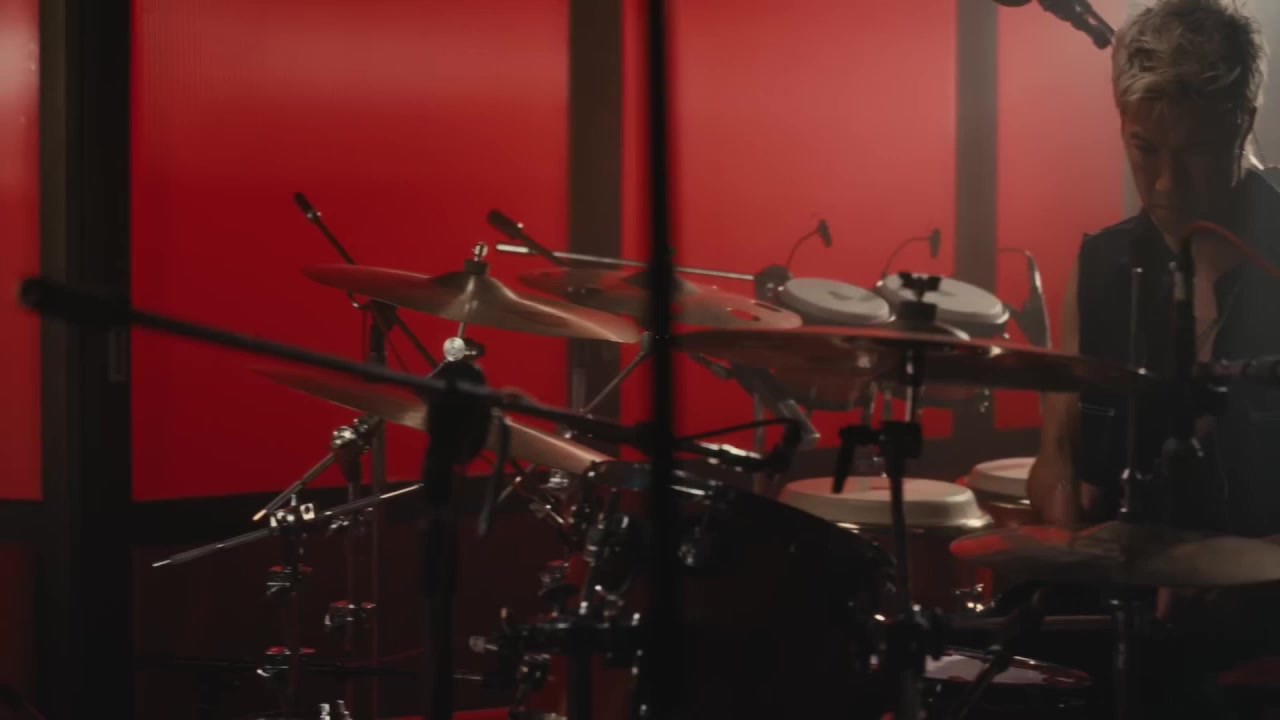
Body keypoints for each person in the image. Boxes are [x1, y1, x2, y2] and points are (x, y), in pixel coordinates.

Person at [1027, 0, 1280, 715]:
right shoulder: (1100, 267)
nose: (1166, 186)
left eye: (1194, 153)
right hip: (1131, 632)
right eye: (1144, 150)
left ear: (1242, 123)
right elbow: (1058, 454)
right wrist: (1067, 519)